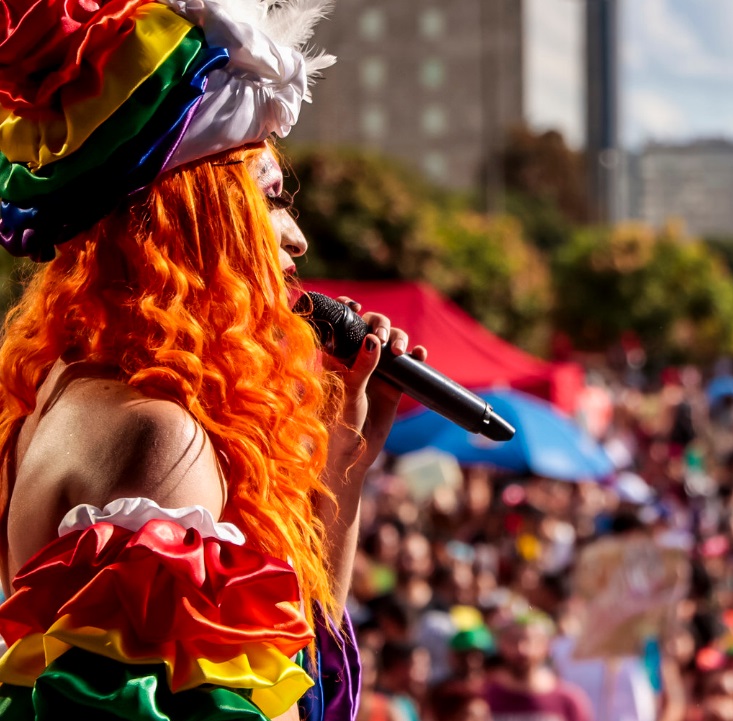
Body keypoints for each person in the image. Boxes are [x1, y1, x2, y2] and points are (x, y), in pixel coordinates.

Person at [0, 0, 425, 717]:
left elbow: (288, 674)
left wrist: (341, 469)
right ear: (193, 218)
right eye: (271, 197)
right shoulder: (158, 439)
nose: (296, 239)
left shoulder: (67, 392)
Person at [482, 612, 593, 721]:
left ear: (547, 646)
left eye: (530, 641)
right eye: (513, 640)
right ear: (500, 644)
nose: (522, 650)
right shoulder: (483, 695)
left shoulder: (568, 700)